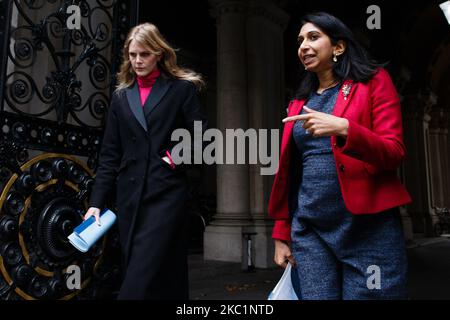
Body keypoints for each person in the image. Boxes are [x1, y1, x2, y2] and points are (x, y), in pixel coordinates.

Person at [268, 12, 412, 300]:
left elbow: (394, 151)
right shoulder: (299, 102)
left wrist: (346, 129)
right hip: (311, 230)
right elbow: (290, 172)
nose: (303, 46)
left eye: (313, 37)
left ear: (338, 46)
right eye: (299, 41)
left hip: (368, 229)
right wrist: (282, 231)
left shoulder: (374, 82)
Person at [84, 22, 207, 299]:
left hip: (166, 193)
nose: (138, 61)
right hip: (129, 196)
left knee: (140, 275)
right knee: (159, 273)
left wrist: (173, 158)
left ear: (159, 54)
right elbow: (109, 155)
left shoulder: (180, 90)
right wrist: (95, 204)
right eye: (132, 54)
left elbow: (202, 135)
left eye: (145, 54)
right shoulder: (120, 97)